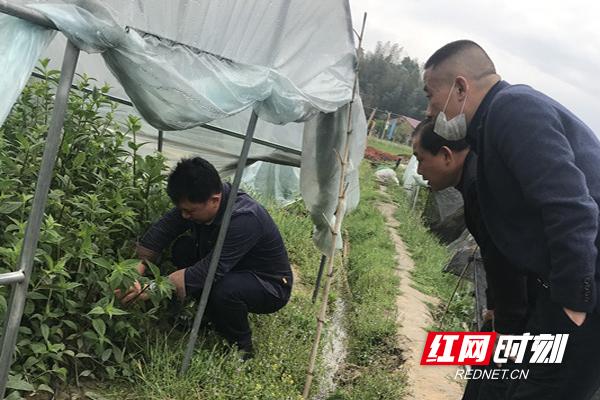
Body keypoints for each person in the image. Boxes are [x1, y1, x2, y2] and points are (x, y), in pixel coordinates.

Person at [424, 39, 600, 399]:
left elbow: (571, 206)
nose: (429, 110)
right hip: (567, 280)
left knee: (546, 388)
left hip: (585, 281)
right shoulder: (491, 129)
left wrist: (573, 303)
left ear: (460, 87)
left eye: (430, 94)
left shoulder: (513, 109)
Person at [120, 157, 293, 358]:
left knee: (225, 289)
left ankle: (242, 348)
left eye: (189, 211)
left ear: (215, 200)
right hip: (232, 268)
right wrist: (138, 265)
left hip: (269, 285)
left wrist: (153, 288)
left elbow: (210, 270)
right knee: (183, 250)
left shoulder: (244, 218)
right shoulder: (199, 201)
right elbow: (165, 229)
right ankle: (211, 318)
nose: (184, 215)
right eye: (181, 209)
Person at [412, 118, 532, 399]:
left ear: (446, 155)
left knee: (498, 379)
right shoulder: (476, 178)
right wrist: (493, 305)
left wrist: (506, 325)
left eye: (420, 159)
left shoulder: (483, 183)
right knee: (484, 377)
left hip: (544, 306)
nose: (418, 170)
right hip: (517, 306)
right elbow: (493, 252)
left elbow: (509, 255)